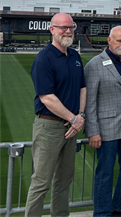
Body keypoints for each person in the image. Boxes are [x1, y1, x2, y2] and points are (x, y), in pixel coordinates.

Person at [26, 13, 86, 217]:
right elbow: (47, 98)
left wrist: (80, 116)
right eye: (63, 27)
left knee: (64, 180)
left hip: (71, 126)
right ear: (52, 30)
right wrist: (74, 119)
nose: (68, 31)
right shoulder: (44, 58)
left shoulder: (75, 56)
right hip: (49, 127)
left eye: (71, 27)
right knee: (41, 181)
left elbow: (82, 88)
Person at [84, 26, 121, 217]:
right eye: (119, 41)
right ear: (109, 40)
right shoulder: (94, 65)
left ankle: (120, 207)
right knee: (105, 173)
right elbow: (89, 101)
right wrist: (92, 130)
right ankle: (102, 213)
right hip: (105, 128)